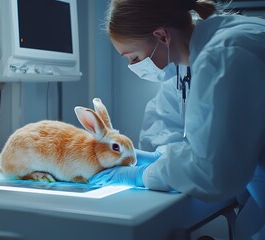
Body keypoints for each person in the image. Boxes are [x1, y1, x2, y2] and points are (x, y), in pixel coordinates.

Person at [90, 0, 265, 239]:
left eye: (133, 58)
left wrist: (142, 175)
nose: (134, 66)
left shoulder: (224, 54)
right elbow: (206, 140)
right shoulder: (191, 60)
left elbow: (215, 173)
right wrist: (156, 157)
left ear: (161, 36)